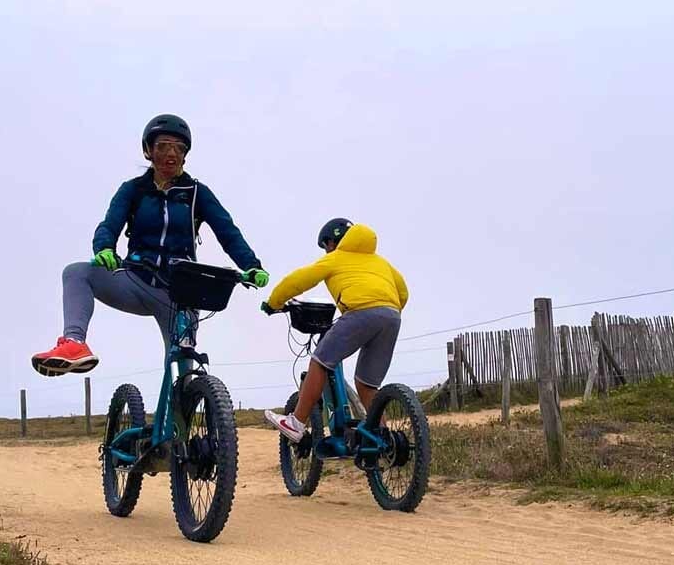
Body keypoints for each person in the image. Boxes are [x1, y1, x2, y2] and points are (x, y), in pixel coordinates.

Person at [32, 114, 268, 376]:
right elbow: (109, 225)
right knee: (77, 272)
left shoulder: (197, 193)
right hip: (136, 280)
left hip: (181, 292)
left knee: (182, 371)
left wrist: (251, 265)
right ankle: (75, 342)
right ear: (148, 151)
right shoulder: (133, 190)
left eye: (179, 148)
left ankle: (184, 399)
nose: (171, 154)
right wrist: (105, 248)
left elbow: (228, 232)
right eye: (163, 146)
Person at [261, 218, 408, 442]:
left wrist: (274, 302)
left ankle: (296, 423)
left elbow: (298, 280)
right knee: (366, 384)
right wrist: (385, 308)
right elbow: (403, 292)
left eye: (325, 245)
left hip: (360, 313)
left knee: (320, 361)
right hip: (392, 316)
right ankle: (383, 440)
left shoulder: (335, 258)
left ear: (332, 242)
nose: (326, 250)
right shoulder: (381, 262)